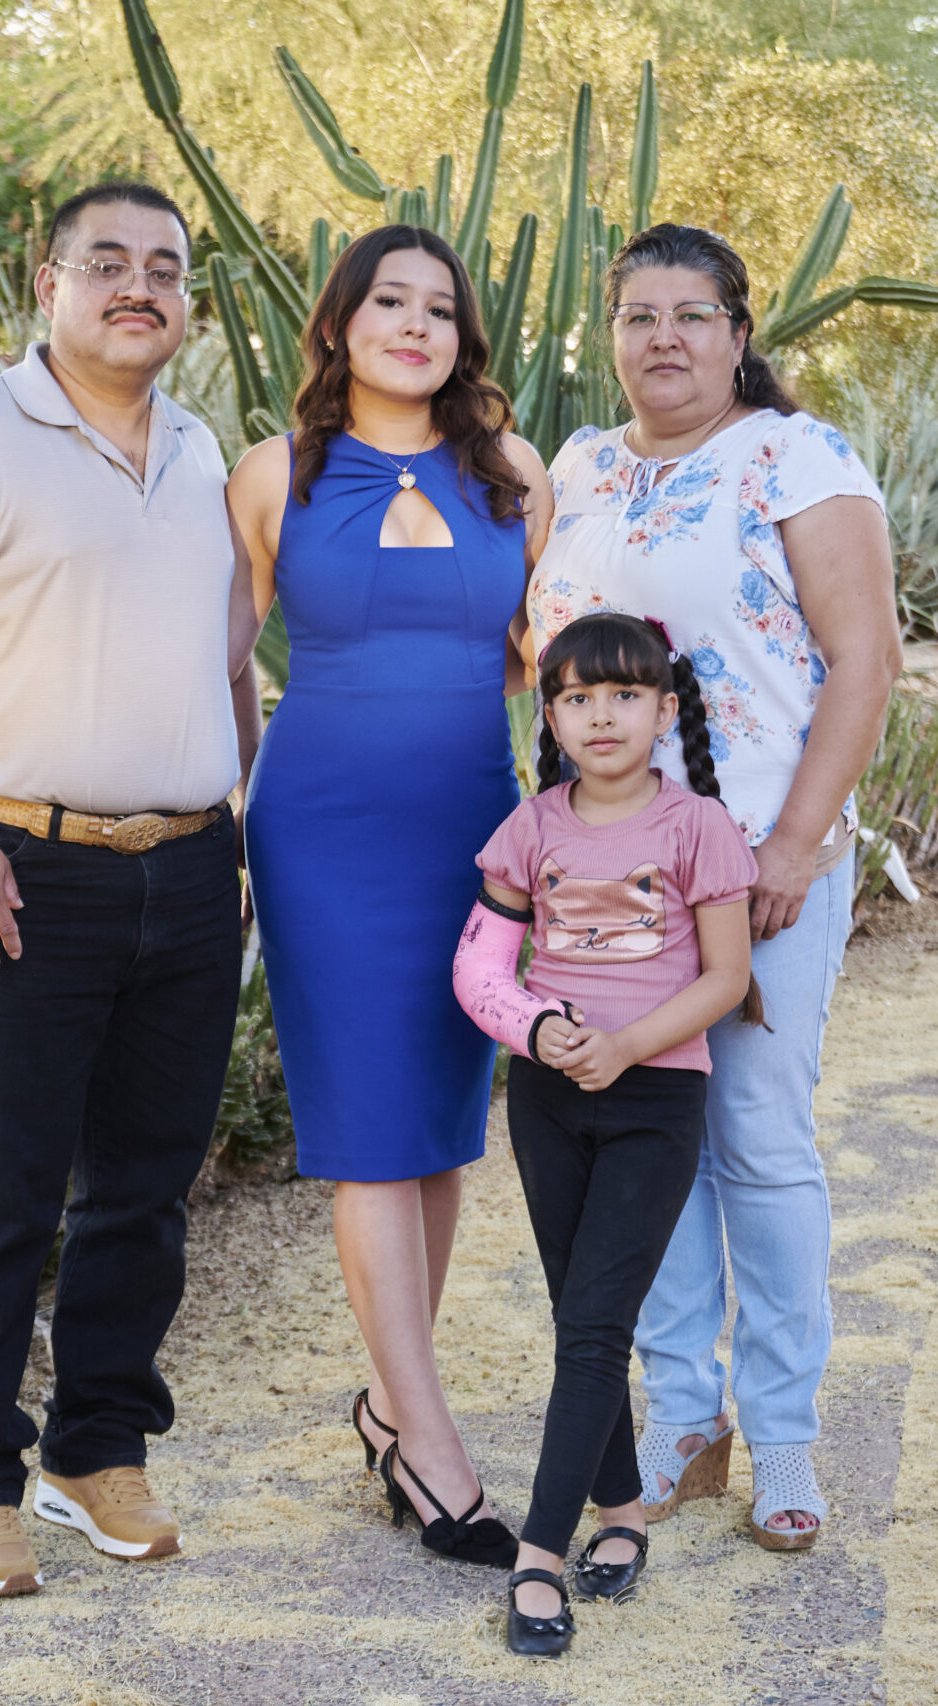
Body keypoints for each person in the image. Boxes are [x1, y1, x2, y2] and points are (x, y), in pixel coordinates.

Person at [0, 182, 263, 1599]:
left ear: (189, 300)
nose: (138, 286)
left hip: (194, 866)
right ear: (49, 282)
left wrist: (243, 821)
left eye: (165, 268)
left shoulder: (205, 449)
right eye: (110, 263)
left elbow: (224, 661)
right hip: (24, 867)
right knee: (2, 1185)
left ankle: (97, 1447)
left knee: (149, 1186)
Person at [525, 223, 904, 1550]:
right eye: (639, 314)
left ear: (741, 334)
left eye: (693, 313)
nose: (665, 336)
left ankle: (786, 1431)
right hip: (606, 879)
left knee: (756, 1134)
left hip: (755, 865)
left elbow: (865, 659)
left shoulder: (795, 458)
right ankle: (685, 1415)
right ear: (611, 333)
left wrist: (794, 844)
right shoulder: (576, 467)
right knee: (650, 1143)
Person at [226, 224, 550, 1568]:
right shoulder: (274, 471)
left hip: (474, 822)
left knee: (437, 1121)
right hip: (323, 827)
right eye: (388, 300)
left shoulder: (514, 472)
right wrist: (240, 812)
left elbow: (537, 653)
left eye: (439, 306)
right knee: (367, 1128)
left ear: (464, 333)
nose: (414, 323)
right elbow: (228, 654)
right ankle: (433, 1448)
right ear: (342, 322)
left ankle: (385, 1401)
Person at [453, 612, 761, 1656]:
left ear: (665, 710)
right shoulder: (530, 828)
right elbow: (478, 971)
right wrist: (541, 1031)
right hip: (546, 1100)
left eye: (624, 695)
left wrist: (625, 1047)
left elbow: (726, 976)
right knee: (580, 1321)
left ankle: (539, 1557)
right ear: (550, 713)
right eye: (577, 697)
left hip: (651, 1102)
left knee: (592, 1329)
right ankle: (622, 1513)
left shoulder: (697, 829)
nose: (600, 716)